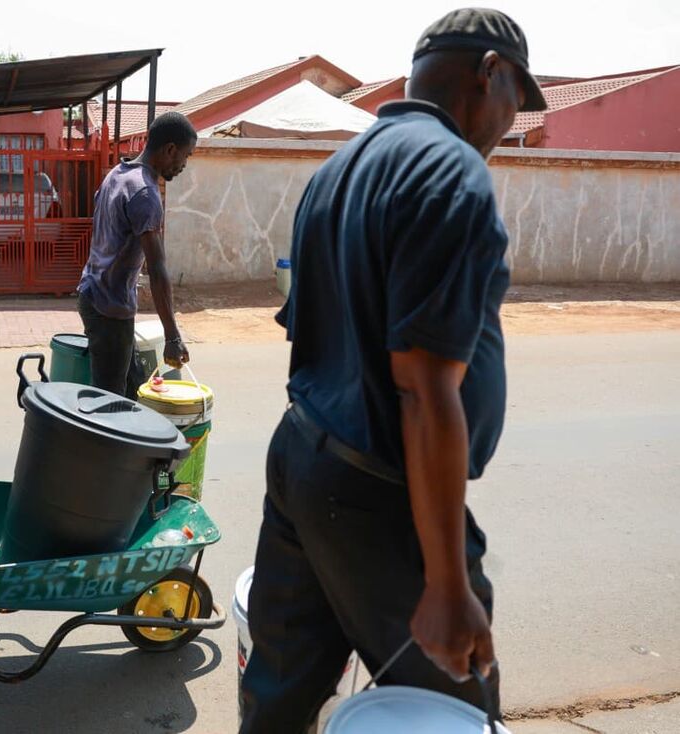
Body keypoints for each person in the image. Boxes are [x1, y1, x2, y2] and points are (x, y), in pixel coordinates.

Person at [239, 9, 547, 732]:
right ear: (490, 73)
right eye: (516, 101)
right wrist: (444, 582)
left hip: (303, 464)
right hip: (379, 494)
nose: (513, 122)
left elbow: (311, 341)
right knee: (446, 710)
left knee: (280, 701)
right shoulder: (450, 173)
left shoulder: (337, 170)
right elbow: (421, 387)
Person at [77, 110, 197, 397]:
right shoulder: (145, 194)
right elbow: (157, 270)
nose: (184, 164)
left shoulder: (117, 174)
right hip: (110, 307)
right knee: (109, 404)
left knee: (133, 387)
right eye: (186, 155)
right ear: (170, 150)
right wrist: (172, 336)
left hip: (94, 295)